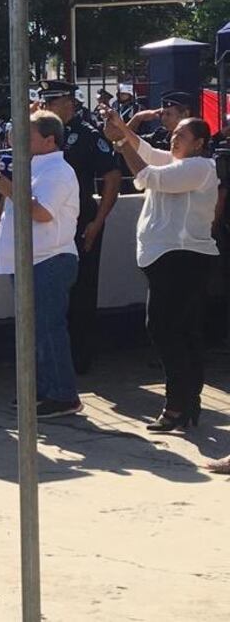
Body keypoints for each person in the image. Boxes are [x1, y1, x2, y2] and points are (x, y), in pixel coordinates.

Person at [104, 111, 219, 431]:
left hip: (181, 258)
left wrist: (120, 143)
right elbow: (149, 153)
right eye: (174, 134)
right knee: (182, 332)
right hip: (170, 259)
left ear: (199, 143)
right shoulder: (178, 162)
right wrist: (124, 130)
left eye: (182, 135)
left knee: (165, 330)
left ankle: (177, 405)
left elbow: (148, 176)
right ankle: (187, 402)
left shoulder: (199, 167)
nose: (174, 137)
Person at [0, 110, 82, 419]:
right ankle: (42, 390)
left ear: (49, 140)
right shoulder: (33, 167)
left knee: (47, 328)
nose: (19, 141)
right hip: (30, 260)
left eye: (27, 135)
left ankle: (63, 394)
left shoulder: (58, 171)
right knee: (33, 330)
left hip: (50, 260)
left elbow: (42, 213)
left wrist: (10, 190)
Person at [37, 80, 120, 374]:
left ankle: (79, 357)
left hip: (82, 221)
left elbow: (112, 177)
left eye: (53, 102)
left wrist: (98, 222)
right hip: (48, 223)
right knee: (50, 295)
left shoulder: (86, 135)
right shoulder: (40, 134)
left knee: (81, 291)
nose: (46, 107)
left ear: (69, 103)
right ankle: (54, 358)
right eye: (44, 102)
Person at [128, 91, 195, 150]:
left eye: (168, 114)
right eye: (162, 114)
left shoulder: (194, 141)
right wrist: (137, 118)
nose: (163, 118)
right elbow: (126, 142)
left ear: (185, 115)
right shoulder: (160, 135)